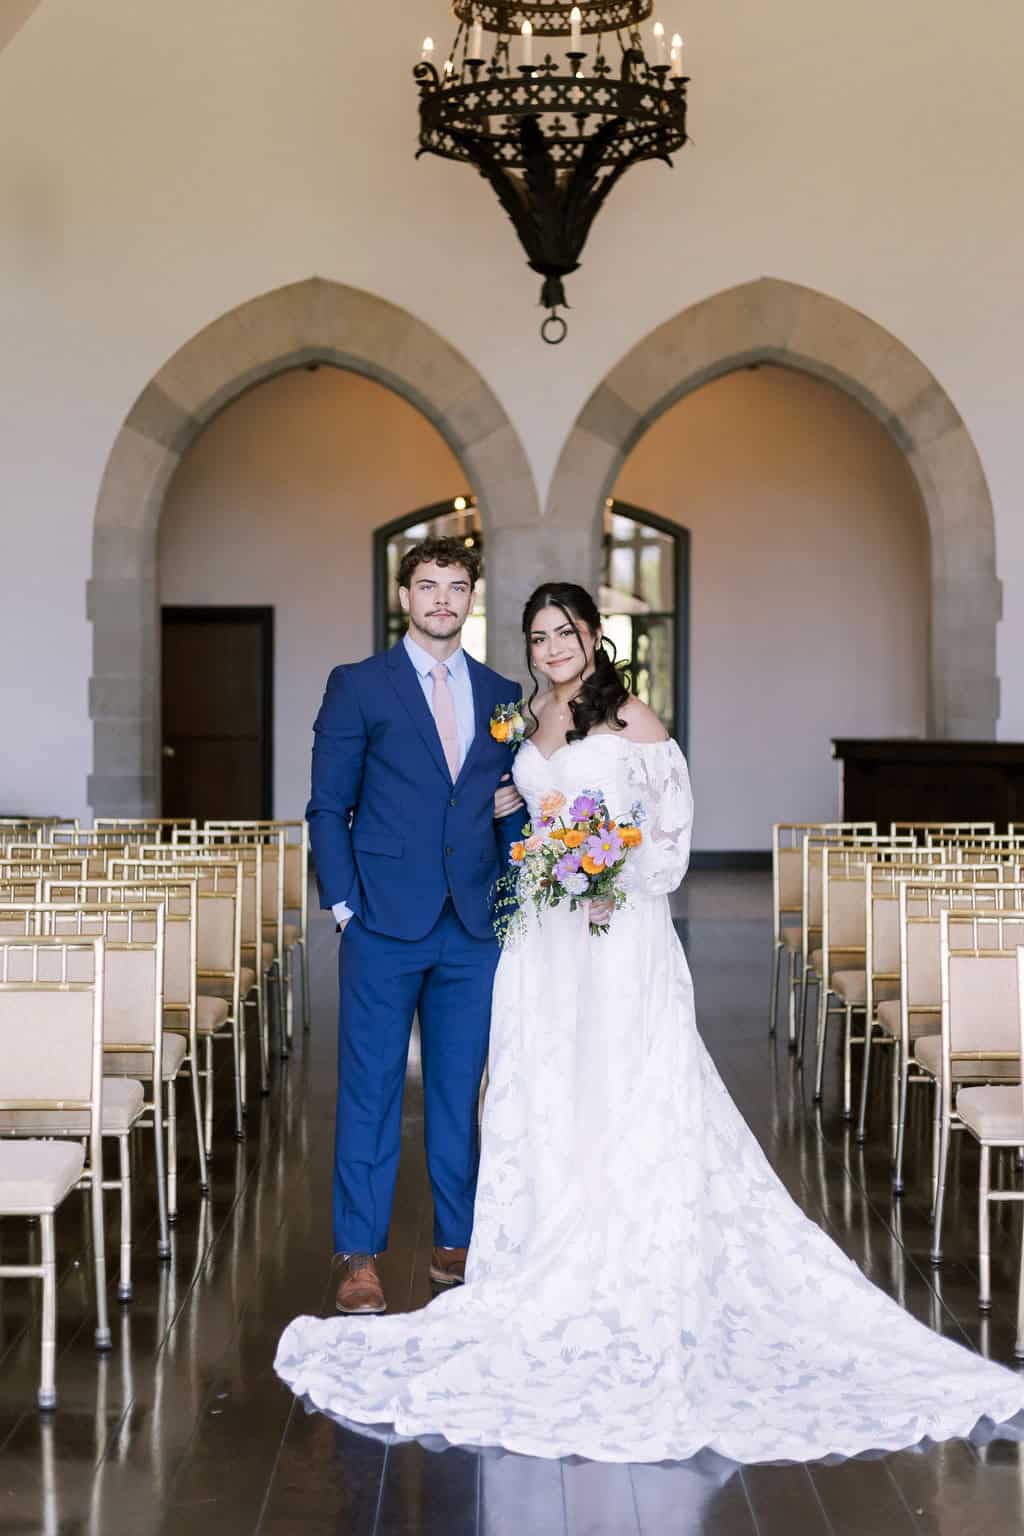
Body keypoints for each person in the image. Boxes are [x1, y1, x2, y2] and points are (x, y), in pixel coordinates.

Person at [277, 581, 1024, 1463]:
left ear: (595, 636)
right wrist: (506, 841)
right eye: (540, 633)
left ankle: (580, 1248)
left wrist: (605, 870)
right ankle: (488, 1247)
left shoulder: (632, 719)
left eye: (567, 631)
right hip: (534, 940)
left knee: (611, 1078)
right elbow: (472, 808)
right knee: (530, 1083)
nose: (553, 644)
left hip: (612, 933)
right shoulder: (519, 716)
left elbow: (668, 842)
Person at [305, 536, 523, 1315]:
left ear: (472, 598)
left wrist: (512, 861)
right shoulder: (359, 685)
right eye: (426, 585)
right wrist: (344, 906)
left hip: (471, 925)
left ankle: (455, 1241)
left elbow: (509, 797)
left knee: (461, 1092)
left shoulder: (502, 692)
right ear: (404, 597)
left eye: (455, 586)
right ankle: (360, 1256)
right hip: (381, 923)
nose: (441, 598)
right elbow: (327, 805)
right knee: (368, 1090)